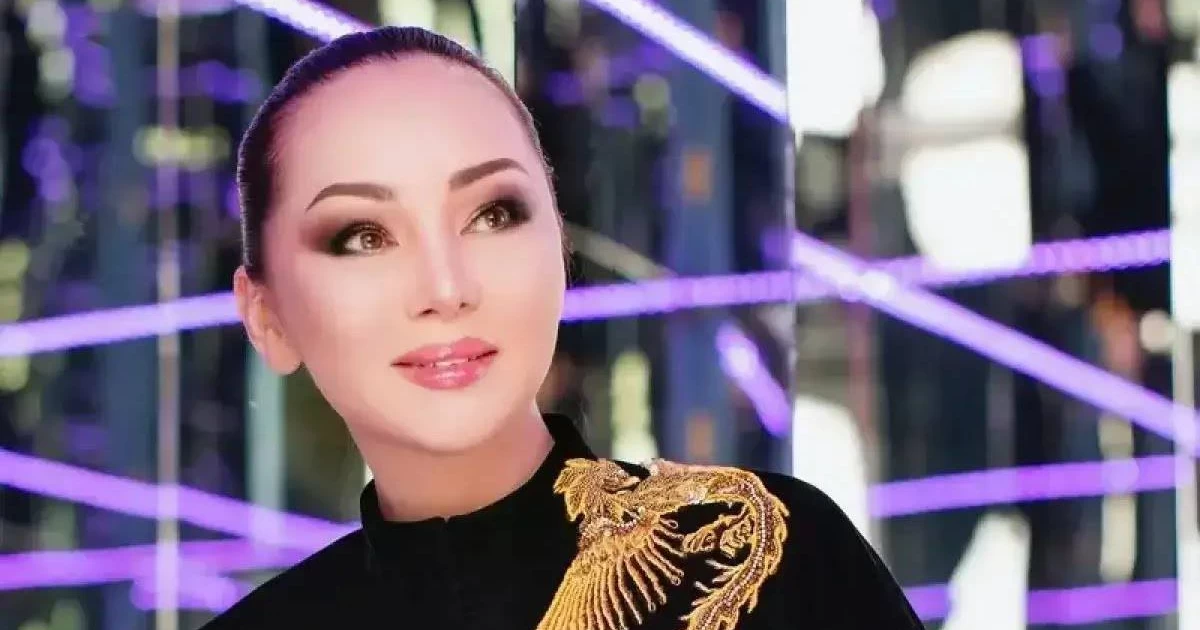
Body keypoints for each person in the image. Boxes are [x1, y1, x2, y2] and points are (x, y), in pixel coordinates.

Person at [204, 25, 925, 630]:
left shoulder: (770, 550)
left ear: (560, 246)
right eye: (364, 236)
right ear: (266, 316)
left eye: (493, 214)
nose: (446, 289)